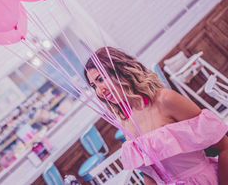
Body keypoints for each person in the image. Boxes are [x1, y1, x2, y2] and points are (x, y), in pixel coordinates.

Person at [84, 47, 228, 184]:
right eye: (94, 86)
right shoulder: (125, 120)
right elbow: (150, 177)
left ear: (120, 71)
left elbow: (224, 146)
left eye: (101, 79)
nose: (99, 90)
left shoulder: (165, 100)